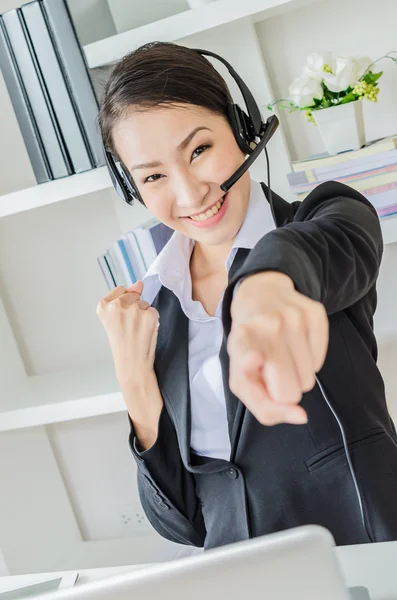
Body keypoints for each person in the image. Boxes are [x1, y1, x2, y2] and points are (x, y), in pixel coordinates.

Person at [96, 41, 397, 549]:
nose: (191, 194)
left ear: (241, 130)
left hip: (365, 557)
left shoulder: (323, 219)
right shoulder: (155, 305)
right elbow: (184, 525)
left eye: (199, 150)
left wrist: (265, 282)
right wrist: (135, 386)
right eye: (153, 176)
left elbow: (338, 244)